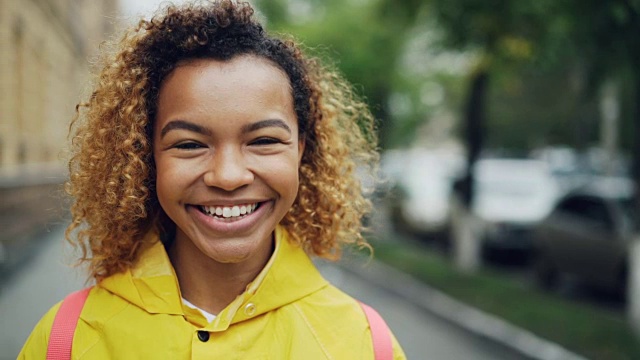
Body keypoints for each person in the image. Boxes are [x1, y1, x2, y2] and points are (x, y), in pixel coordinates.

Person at [19, 0, 406, 358]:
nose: (228, 176)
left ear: (301, 149)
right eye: (189, 144)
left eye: (264, 140)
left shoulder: (367, 345)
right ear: (146, 154)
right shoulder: (65, 339)